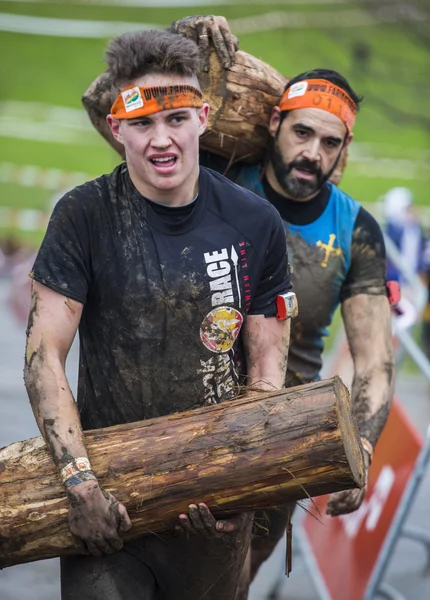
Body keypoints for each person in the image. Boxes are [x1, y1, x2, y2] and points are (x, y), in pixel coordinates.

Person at [82, 16, 395, 596]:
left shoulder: (356, 230)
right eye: (302, 133)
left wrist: (364, 442)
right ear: (274, 122)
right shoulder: (210, 174)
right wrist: (179, 40)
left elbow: (375, 360)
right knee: (124, 568)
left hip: (276, 439)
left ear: (343, 150)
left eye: (330, 143)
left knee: (227, 587)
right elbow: (103, 104)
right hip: (162, 411)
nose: (312, 153)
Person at [23, 29, 294, 600]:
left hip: (213, 504)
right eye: (142, 124)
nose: (160, 140)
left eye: (174, 119)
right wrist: (79, 483)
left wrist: (240, 484)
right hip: (106, 499)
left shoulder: (255, 222)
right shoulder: (83, 215)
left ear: (202, 116)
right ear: (116, 128)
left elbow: (268, 365)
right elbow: (44, 354)